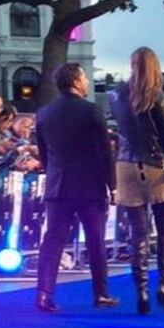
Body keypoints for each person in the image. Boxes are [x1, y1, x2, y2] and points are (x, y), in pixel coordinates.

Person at [34, 63, 117, 313]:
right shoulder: (91, 111)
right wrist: (112, 185)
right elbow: (104, 151)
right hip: (89, 187)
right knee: (95, 241)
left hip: (57, 187)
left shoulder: (44, 113)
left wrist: (53, 174)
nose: (88, 82)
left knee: (52, 241)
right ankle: (101, 293)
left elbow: (43, 153)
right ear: (77, 81)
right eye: (85, 77)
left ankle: (44, 294)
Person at [109, 47, 164, 315]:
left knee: (137, 232)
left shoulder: (116, 95)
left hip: (125, 165)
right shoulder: (157, 97)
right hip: (155, 167)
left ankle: (140, 289)